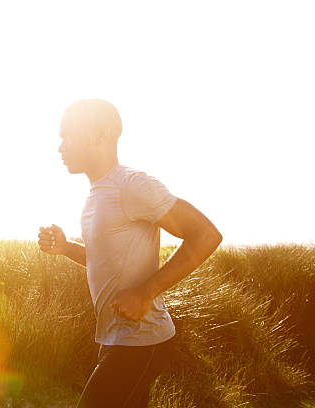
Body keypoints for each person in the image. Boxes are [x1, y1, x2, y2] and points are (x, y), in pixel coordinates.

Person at [37, 99, 222, 408]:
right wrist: (67, 248)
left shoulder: (132, 185)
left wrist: (146, 292)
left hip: (141, 341)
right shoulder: (96, 195)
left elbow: (206, 235)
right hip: (114, 339)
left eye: (68, 135)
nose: (60, 147)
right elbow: (105, 261)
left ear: (100, 135)